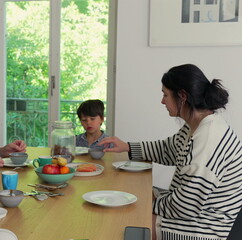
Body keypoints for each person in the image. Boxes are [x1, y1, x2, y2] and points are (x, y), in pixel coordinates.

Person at [99, 64, 242, 240]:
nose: (162, 101)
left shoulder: (208, 139)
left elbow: (186, 206)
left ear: (182, 96)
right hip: (195, 210)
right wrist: (127, 146)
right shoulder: (197, 125)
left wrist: (144, 203)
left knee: (128, 221)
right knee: (132, 194)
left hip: (206, 227)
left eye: (165, 94)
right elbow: (168, 150)